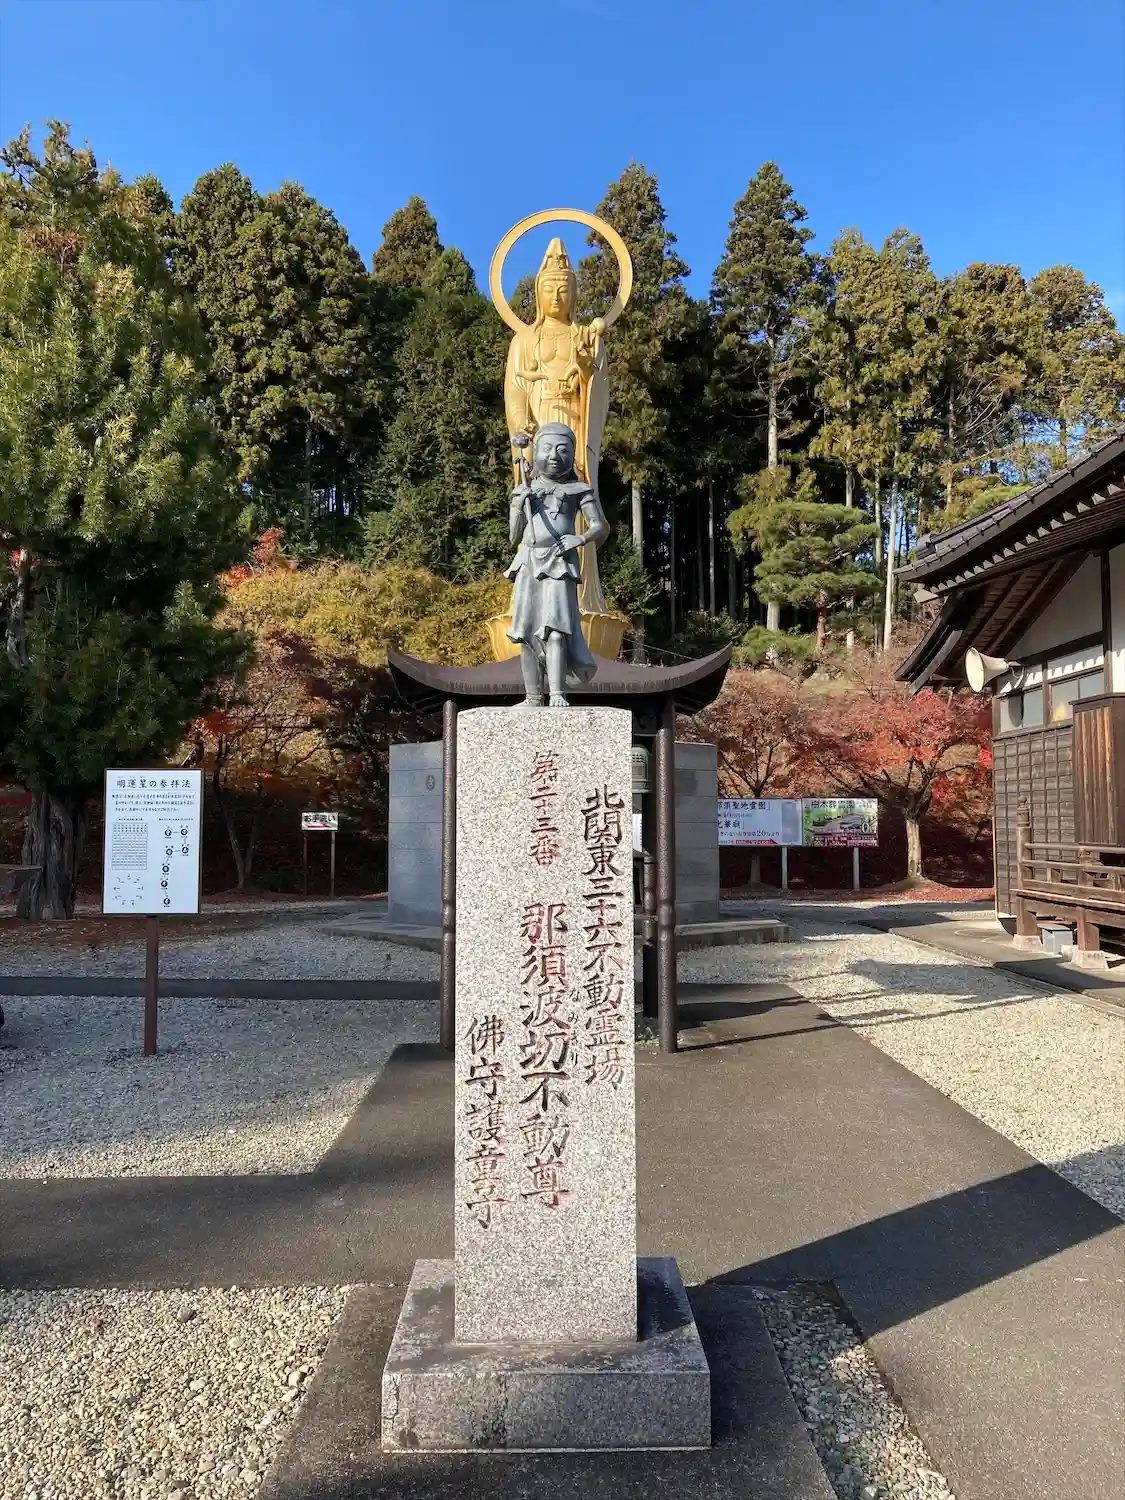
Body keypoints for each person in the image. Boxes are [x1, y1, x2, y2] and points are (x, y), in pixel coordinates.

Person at [506, 423, 609, 706]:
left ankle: (557, 693)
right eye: (548, 449)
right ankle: (532, 696)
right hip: (528, 562)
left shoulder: (578, 489)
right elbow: (514, 536)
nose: (554, 456)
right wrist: (518, 505)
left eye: (563, 450)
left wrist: (580, 538)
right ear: (535, 452)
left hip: (560, 563)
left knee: (556, 628)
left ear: (572, 455)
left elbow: (599, 525)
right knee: (526, 632)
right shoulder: (525, 489)